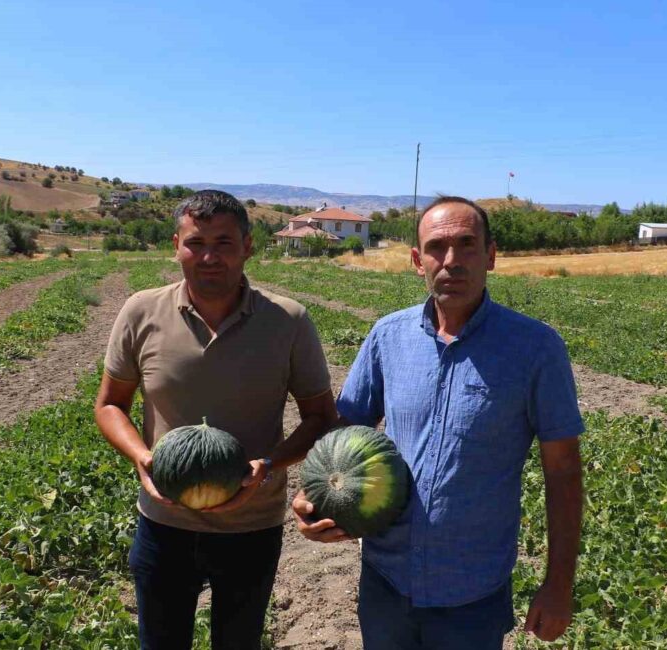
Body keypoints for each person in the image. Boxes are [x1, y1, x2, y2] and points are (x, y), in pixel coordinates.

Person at [294, 196, 584, 649]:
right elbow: (343, 433)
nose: (451, 261)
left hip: (473, 593)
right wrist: (314, 497)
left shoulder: (536, 349)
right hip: (385, 581)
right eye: (436, 247)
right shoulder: (387, 337)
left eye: (467, 245)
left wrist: (559, 584)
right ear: (417, 260)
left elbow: (563, 471)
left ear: (490, 255)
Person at [95, 190, 336, 650]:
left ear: (248, 246)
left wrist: (268, 464)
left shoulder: (288, 320)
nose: (208, 256)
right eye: (195, 242)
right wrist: (144, 458)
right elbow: (109, 405)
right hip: (164, 524)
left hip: (253, 527)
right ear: (176, 245)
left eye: (224, 243)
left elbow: (320, 417)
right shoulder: (141, 311)